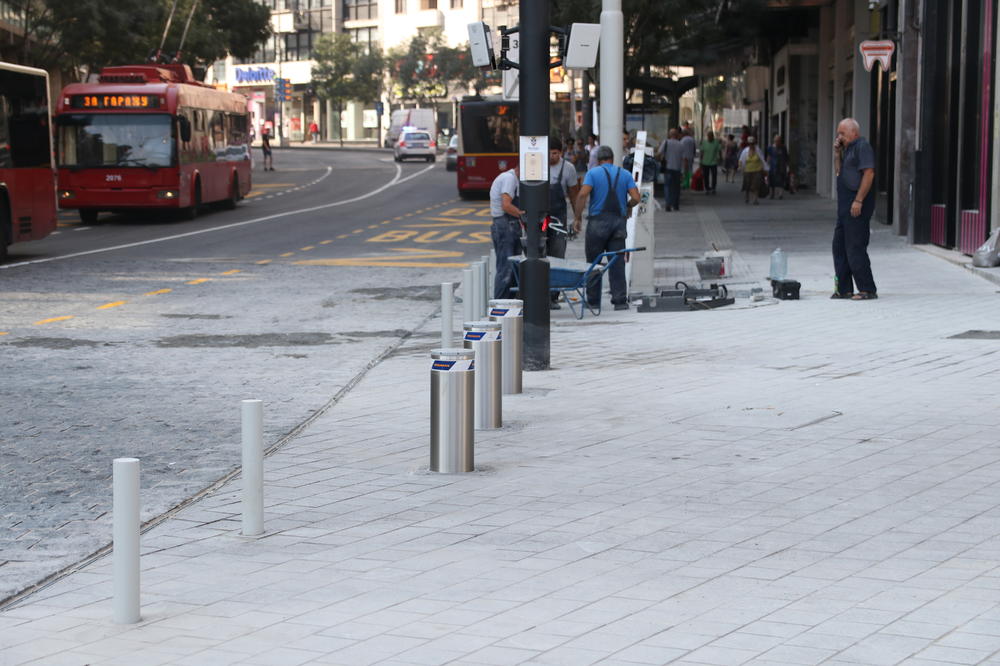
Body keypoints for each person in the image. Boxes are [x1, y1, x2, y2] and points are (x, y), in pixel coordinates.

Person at [572, 145, 640, 311]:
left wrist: (577, 217)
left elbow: (582, 195)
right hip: (618, 223)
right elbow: (636, 198)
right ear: (612, 158)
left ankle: (593, 301)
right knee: (617, 262)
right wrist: (628, 206)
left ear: (598, 160)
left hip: (597, 224)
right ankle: (620, 301)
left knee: (594, 262)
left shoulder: (593, 173)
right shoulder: (625, 174)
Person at [832, 117, 877, 300]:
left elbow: (869, 173)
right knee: (839, 246)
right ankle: (844, 289)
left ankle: (867, 289)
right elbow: (838, 172)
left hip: (856, 203)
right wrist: (837, 153)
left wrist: (858, 200)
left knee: (855, 246)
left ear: (854, 132)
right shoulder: (847, 149)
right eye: (838, 133)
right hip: (844, 206)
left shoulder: (862, 146)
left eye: (842, 133)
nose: (839, 136)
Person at [546, 137, 581, 308]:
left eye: (555, 153)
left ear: (561, 153)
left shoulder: (568, 169)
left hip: (559, 217)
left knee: (558, 254)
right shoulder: (536, 166)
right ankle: (540, 293)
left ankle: (553, 295)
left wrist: (577, 217)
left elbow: (574, 194)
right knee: (540, 254)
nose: (552, 156)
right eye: (549, 153)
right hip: (541, 218)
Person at [489, 165, 523, 299]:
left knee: (513, 267)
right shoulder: (509, 179)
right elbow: (506, 205)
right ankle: (501, 305)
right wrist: (523, 215)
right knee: (506, 268)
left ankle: (509, 303)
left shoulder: (513, 179)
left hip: (509, 224)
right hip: (504, 225)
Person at [657, 129, 683, 211]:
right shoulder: (680, 144)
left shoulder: (666, 142)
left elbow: (659, 153)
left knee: (667, 187)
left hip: (668, 168)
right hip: (677, 168)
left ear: (669, 134)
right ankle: (675, 205)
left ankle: (668, 204)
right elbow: (682, 157)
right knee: (676, 187)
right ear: (677, 135)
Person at [738, 136, 764, 204]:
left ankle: (755, 199)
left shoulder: (758, 150)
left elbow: (762, 160)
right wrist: (740, 167)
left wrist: (764, 168)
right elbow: (741, 159)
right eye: (750, 143)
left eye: (752, 143)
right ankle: (747, 196)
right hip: (747, 170)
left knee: (756, 185)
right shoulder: (745, 151)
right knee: (748, 185)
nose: (751, 145)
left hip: (757, 170)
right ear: (748, 144)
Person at [766, 134, 789, 199]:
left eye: (779, 141)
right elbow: (769, 156)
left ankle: (780, 194)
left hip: (781, 166)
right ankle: (771, 194)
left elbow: (786, 157)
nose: (777, 142)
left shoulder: (783, 148)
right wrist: (767, 165)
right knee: (772, 180)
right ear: (774, 140)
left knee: (781, 180)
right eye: (776, 141)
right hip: (773, 166)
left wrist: (787, 165)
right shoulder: (770, 148)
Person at [699, 130, 722, 195]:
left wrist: (720, 158)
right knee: (706, 176)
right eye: (708, 137)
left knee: (714, 176)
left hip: (713, 162)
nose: (709, 138)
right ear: (707, 137)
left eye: (711, 137)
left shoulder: (716, 142)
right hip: (705, 162)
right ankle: (707, 188)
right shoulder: (704, 142)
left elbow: (719, 150)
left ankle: (713, 188)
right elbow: (702, 152)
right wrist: (700, 161)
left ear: (713, 137)